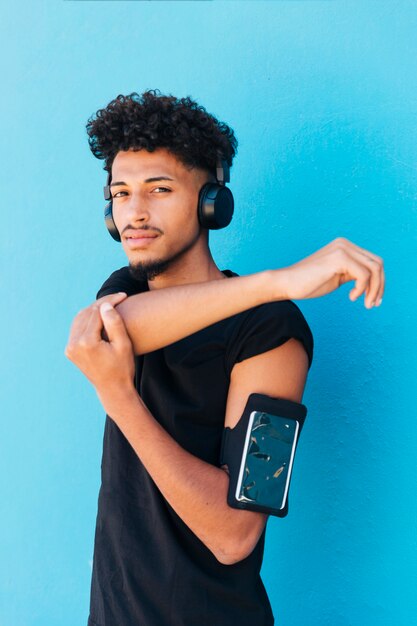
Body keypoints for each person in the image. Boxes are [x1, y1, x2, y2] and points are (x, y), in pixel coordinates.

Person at [65, 90, 385, 626]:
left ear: (212, 201)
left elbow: (235, 535)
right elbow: (105, 331)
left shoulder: (272, 334)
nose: (134, 214)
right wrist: (278, 280)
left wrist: (119, 395)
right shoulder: (125, 291)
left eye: (159, 189)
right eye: (120, 194)